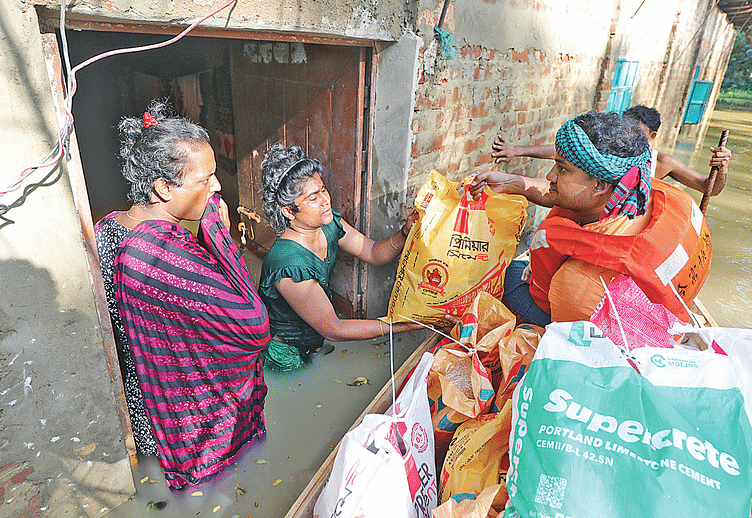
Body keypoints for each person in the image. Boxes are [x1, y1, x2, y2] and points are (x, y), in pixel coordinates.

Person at [96, 100, 272, 490]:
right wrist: (221, 238)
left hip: (144, 403)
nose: (217, 187)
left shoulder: (108, 228)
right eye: (206, 179)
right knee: (223, 494)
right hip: (189, 425)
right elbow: (254, 327)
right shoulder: (161, 254)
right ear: (163, 188)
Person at [470, 111, 712, 325]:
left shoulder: (577, 283)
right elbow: (568, 195)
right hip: (664, 305)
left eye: (562, 168)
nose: (550, 174)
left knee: (508, 273)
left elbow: (566, 329)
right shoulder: (642, 191)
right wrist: (513, 182)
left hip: (585, 320)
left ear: (598, 185)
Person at [258, 143, 432, 371]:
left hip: (315, 338)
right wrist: (405, 325)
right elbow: (335, 330)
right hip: (285, 353)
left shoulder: (329, 226)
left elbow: (373, 252)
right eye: (313, 198)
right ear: (289, 211)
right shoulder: (288, 265)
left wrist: (404, 233)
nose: (325, 200)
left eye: (323, 189)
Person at [491, 105, 731, 196]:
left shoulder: (664, 163)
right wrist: (517, 152)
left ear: (652, 137)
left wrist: (721, 170)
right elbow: (569, 156)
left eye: (635, 133)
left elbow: (708, 188)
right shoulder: (607, 154)